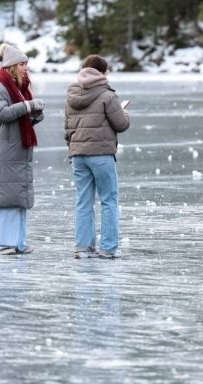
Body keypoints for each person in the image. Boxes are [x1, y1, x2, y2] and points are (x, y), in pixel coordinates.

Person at [65, 55, 130, 259]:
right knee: (109, 200)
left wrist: (73, 148)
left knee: (83, 201)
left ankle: (83, 248)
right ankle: (109, 248)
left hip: (78, 154)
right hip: (101, 154)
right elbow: (121, 124)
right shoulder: (107, 95)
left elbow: (67, 128)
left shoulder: (72, 93)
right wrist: (124, 113)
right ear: (102, 73)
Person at [0, 43, 45, 255]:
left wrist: (35, 112)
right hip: (2, 153)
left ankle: (18, 242)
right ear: (11, 66)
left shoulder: (21, 89)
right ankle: (1, 243)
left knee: (18, 198)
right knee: (3, 199)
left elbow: (23, 118)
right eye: (22, 64)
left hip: (18, 151)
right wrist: (28, 106)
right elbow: (4, 113)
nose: (25, 68)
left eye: (27, 63)